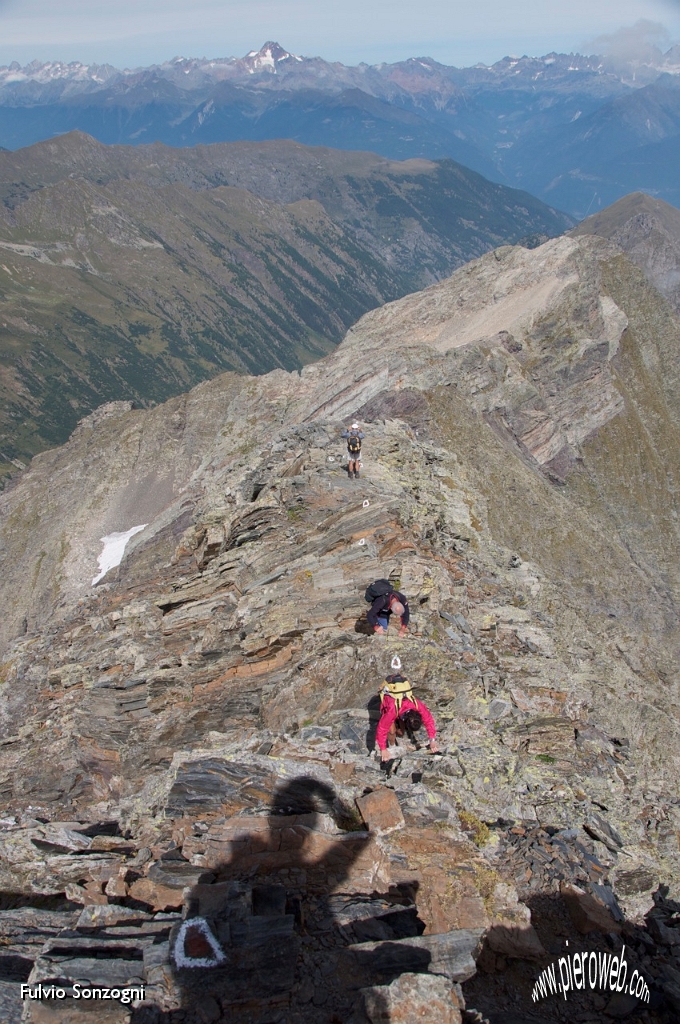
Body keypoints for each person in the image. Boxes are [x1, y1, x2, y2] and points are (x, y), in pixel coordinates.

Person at [376, 667, 439, 761]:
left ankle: (399, 727)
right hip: (389, 705)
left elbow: (428, 720)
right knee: (391, 731)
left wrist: (432, 740)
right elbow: (382, 729)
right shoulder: (392, 710)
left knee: (401, 733)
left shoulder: (417, 704)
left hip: (400, 710)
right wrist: (383, 749)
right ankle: (392, 746)